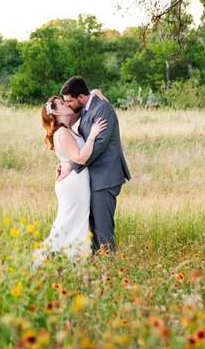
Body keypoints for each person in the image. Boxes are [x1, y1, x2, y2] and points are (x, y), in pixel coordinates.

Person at [33, 95, 107, 267]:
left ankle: (71, 260)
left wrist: (94, 92)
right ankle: (48, 260)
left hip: (76, 181)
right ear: (56, 111)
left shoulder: (67, 126)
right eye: (61, 103)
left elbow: (81, 107)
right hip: (73, 184)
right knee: (69, 221)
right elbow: (80, 158)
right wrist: (93, 135)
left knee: (76, 220)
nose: (66, 104)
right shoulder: (62, 132)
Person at [60, 75, 131, 254]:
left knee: (103, 228)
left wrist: (73, 166)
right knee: (92, 227)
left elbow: (98, 145)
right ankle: (97, 265)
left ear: (81, 98)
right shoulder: (86, 106)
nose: (67, 104)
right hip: (94, 177)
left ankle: (109, 268)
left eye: (69, 101)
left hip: (105, 178)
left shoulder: (103, 109)